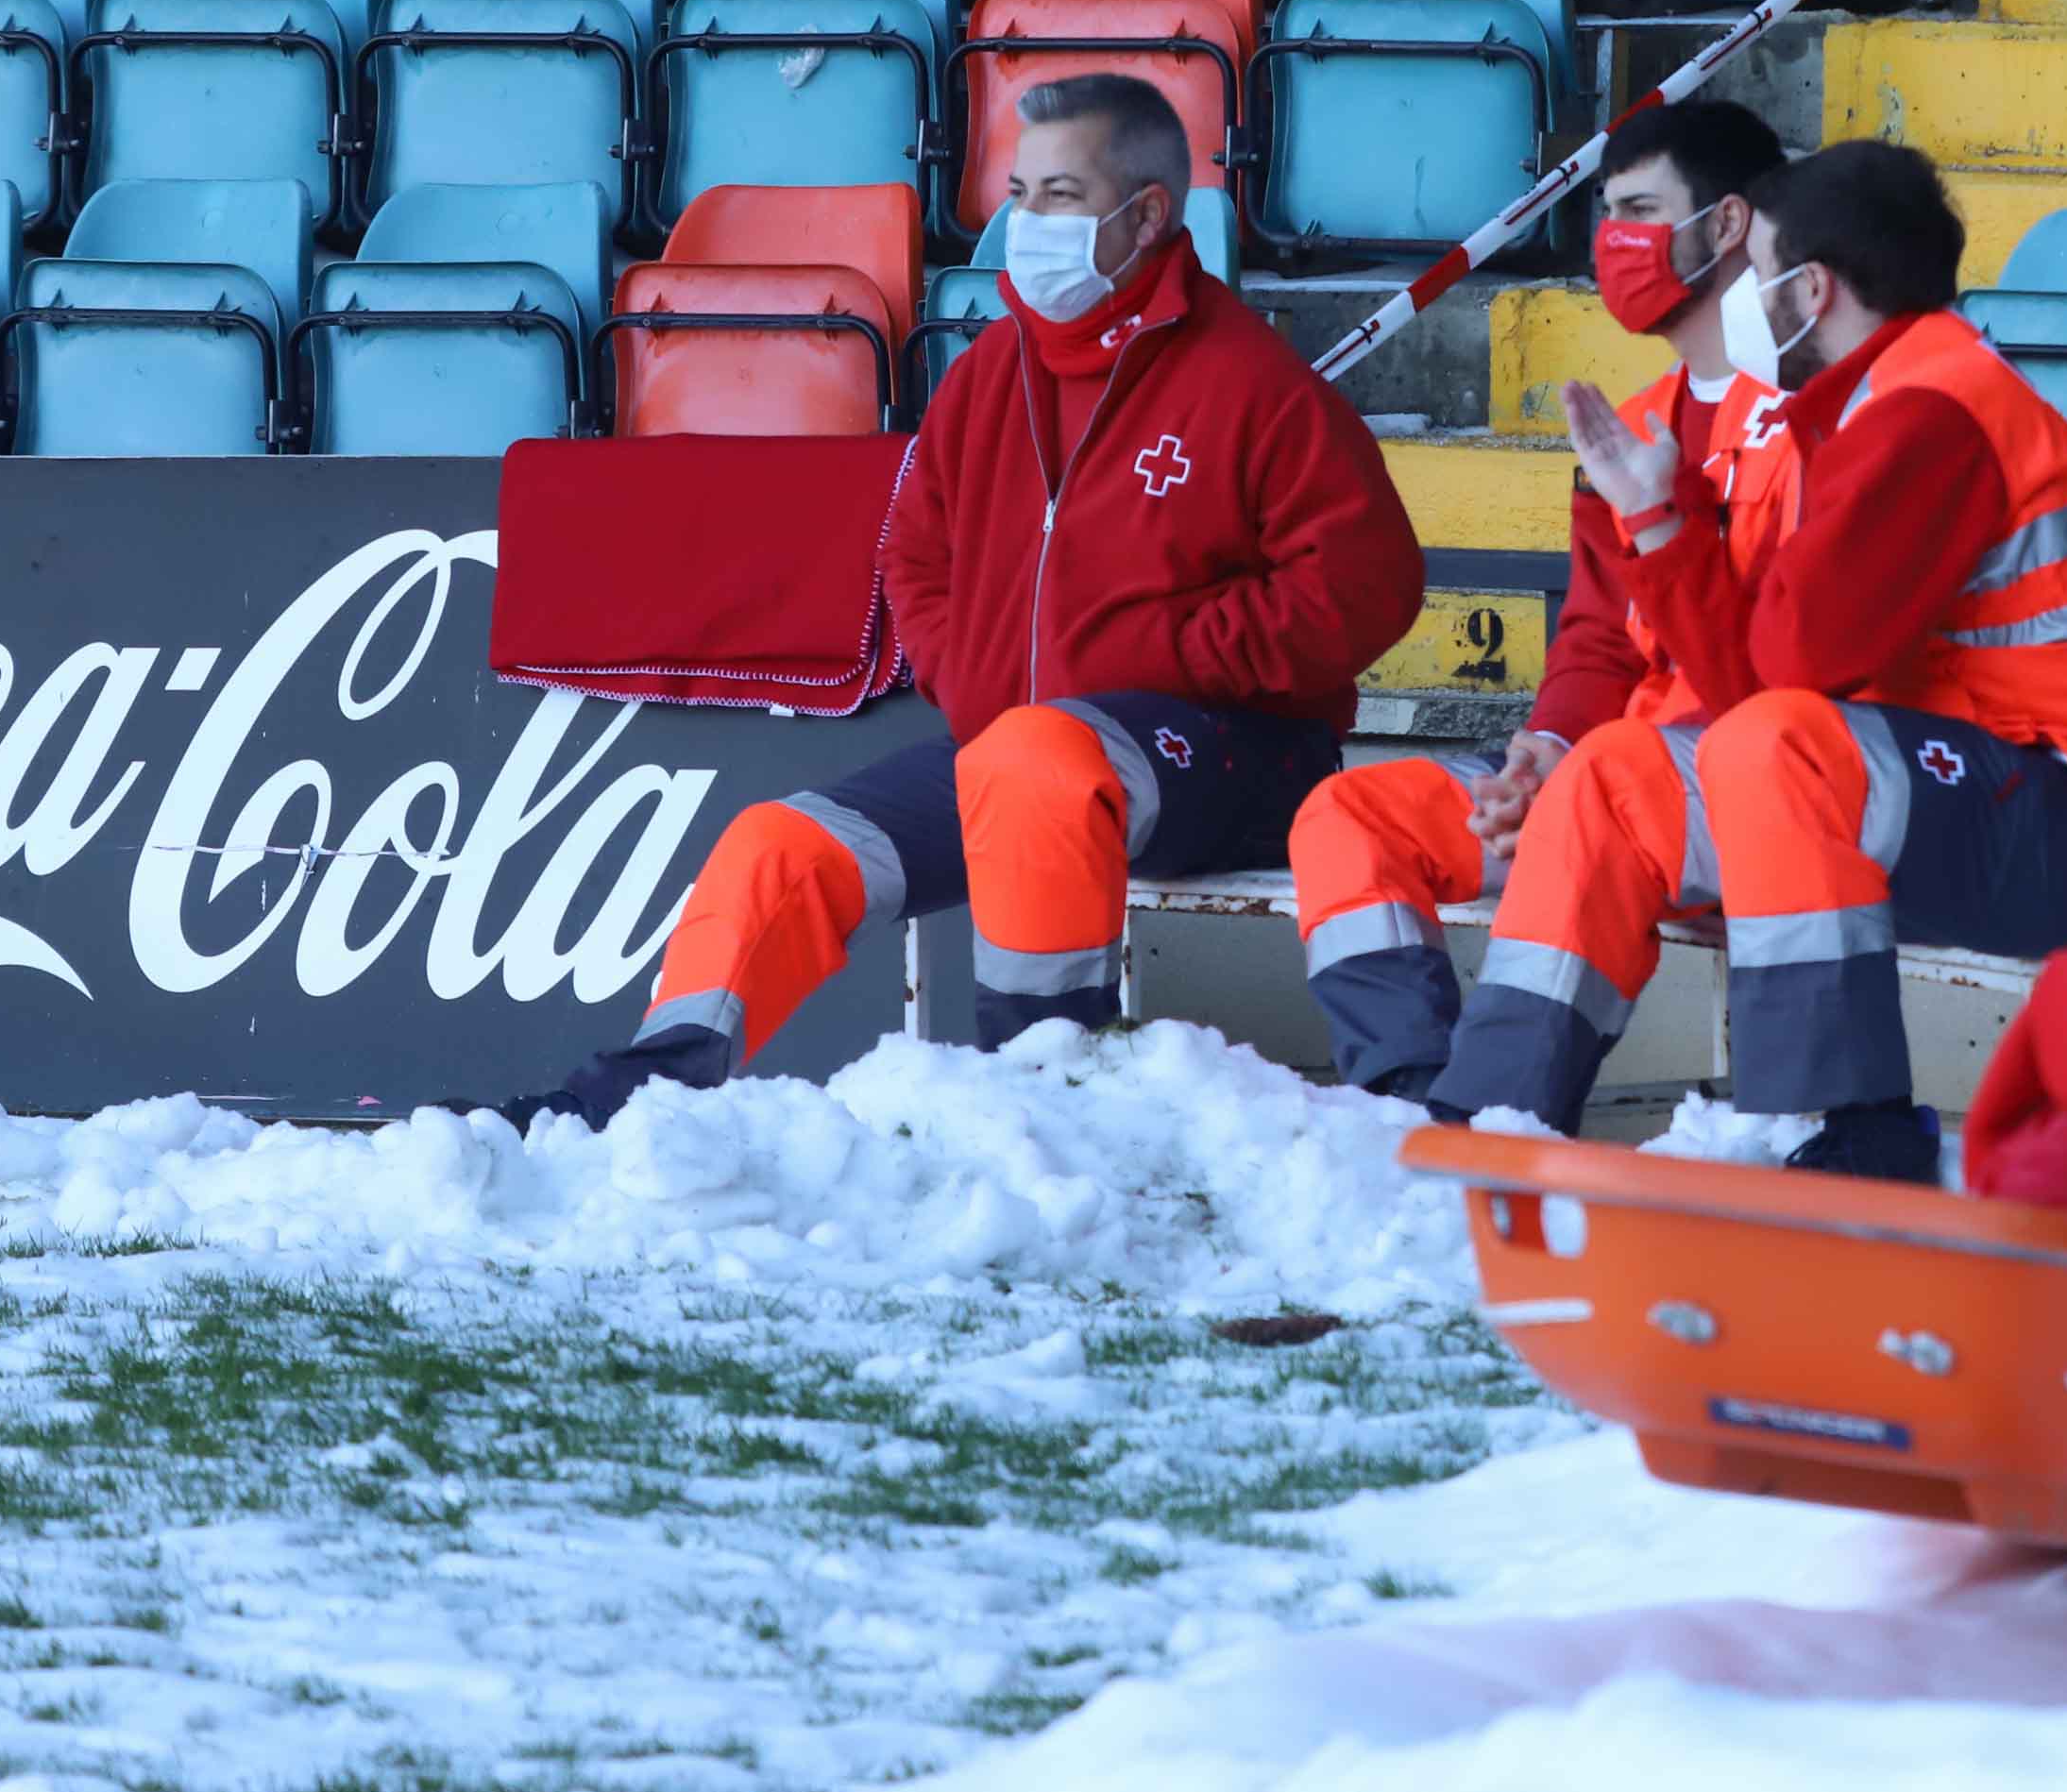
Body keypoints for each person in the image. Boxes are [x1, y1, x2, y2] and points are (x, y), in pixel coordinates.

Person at [496, 74, 1426, 1127]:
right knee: (782, 842)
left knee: (1036, 764)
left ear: (1149, 214)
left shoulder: (1249, 381)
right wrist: (967, 664)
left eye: (1060, 195)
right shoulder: (990, 372)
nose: (1026, 224)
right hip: (1015, 751)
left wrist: (1167, 649)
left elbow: (1370, 587)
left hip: (1230, 755)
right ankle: (644, 1096)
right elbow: (915, 554)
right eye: (1019, 192)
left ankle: (1037, 1103)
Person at [1423, 140, 2067, 1182]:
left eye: (1756, 275)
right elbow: (1754, 672)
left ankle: (1843, 1125)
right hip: (1978, 786)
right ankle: (1492, 1119)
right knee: (1613, 770)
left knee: (1774, 741)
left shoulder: (1930, 409)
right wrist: (1659, 523)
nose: (1743, 300)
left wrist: (1666, 529)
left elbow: (1779, 684)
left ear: (1810, 288)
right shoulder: (1858, 410)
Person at [1287, 100, 1790, 1100]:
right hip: (1610, 767)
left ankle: (1497, 1119)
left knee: (1600, 796)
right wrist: (1542, 753)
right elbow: (1601, 638)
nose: (1614, 245)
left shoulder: (1809, 415)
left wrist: (1581, 777)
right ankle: (1405, 1106)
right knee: (1349, 813)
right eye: (1606, 217)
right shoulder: (1631, 422)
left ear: (1729, 224)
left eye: (1642, 211)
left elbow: (1788, 660)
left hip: (1736, 783)